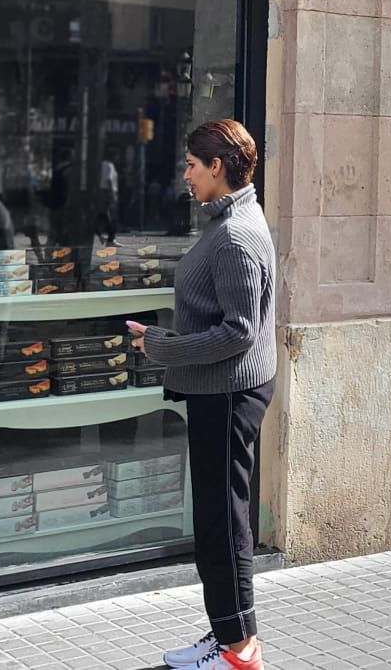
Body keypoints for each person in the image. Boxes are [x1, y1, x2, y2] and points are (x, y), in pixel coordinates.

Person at [132, 120, 276, 670]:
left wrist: (163, 346)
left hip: (228, 394)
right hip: (225, 390)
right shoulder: (232, 221)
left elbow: (240, 330)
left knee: (222, 525)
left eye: (192, 164)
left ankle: (238, 651)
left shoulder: (236, 234)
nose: (186, 175)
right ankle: (230, 636)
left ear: (218, 167)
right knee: (221, 519)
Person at [97, 152, 121, 246]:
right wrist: (112, 194)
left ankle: (102, 235)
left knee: (103, 215)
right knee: (112, 216)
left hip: (101, 191)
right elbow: (109, 179)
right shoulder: (110, 165)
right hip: (108, 192)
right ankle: (111, 239)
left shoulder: (101, 164)